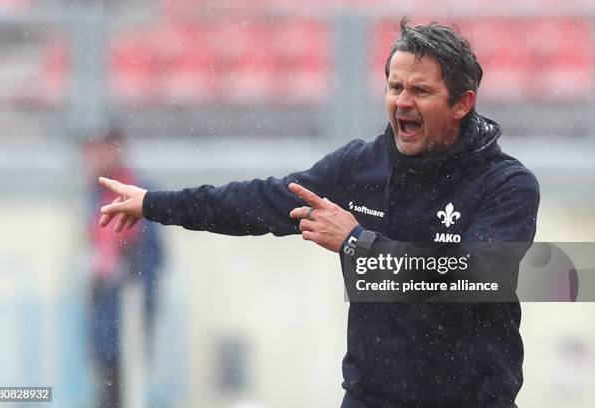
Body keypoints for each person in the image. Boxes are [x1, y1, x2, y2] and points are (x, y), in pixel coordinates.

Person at [97, 18, 539, 407]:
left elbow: (474, 277)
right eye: (395, 87)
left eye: (420, 90)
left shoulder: (506, 185)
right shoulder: (361, 165)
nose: (402, 101)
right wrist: (154, 204)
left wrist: (356, 243)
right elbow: (262, 201)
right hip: (371, 398)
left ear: (462, 103)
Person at [84, 127, 164, 408]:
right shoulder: (94, 194)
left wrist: (129, 272)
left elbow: (152, 257)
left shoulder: (138, 190)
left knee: (127, 383)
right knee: (108, 384)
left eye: (98, 149)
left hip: (128, 310)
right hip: (104, 310)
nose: (91, 159)